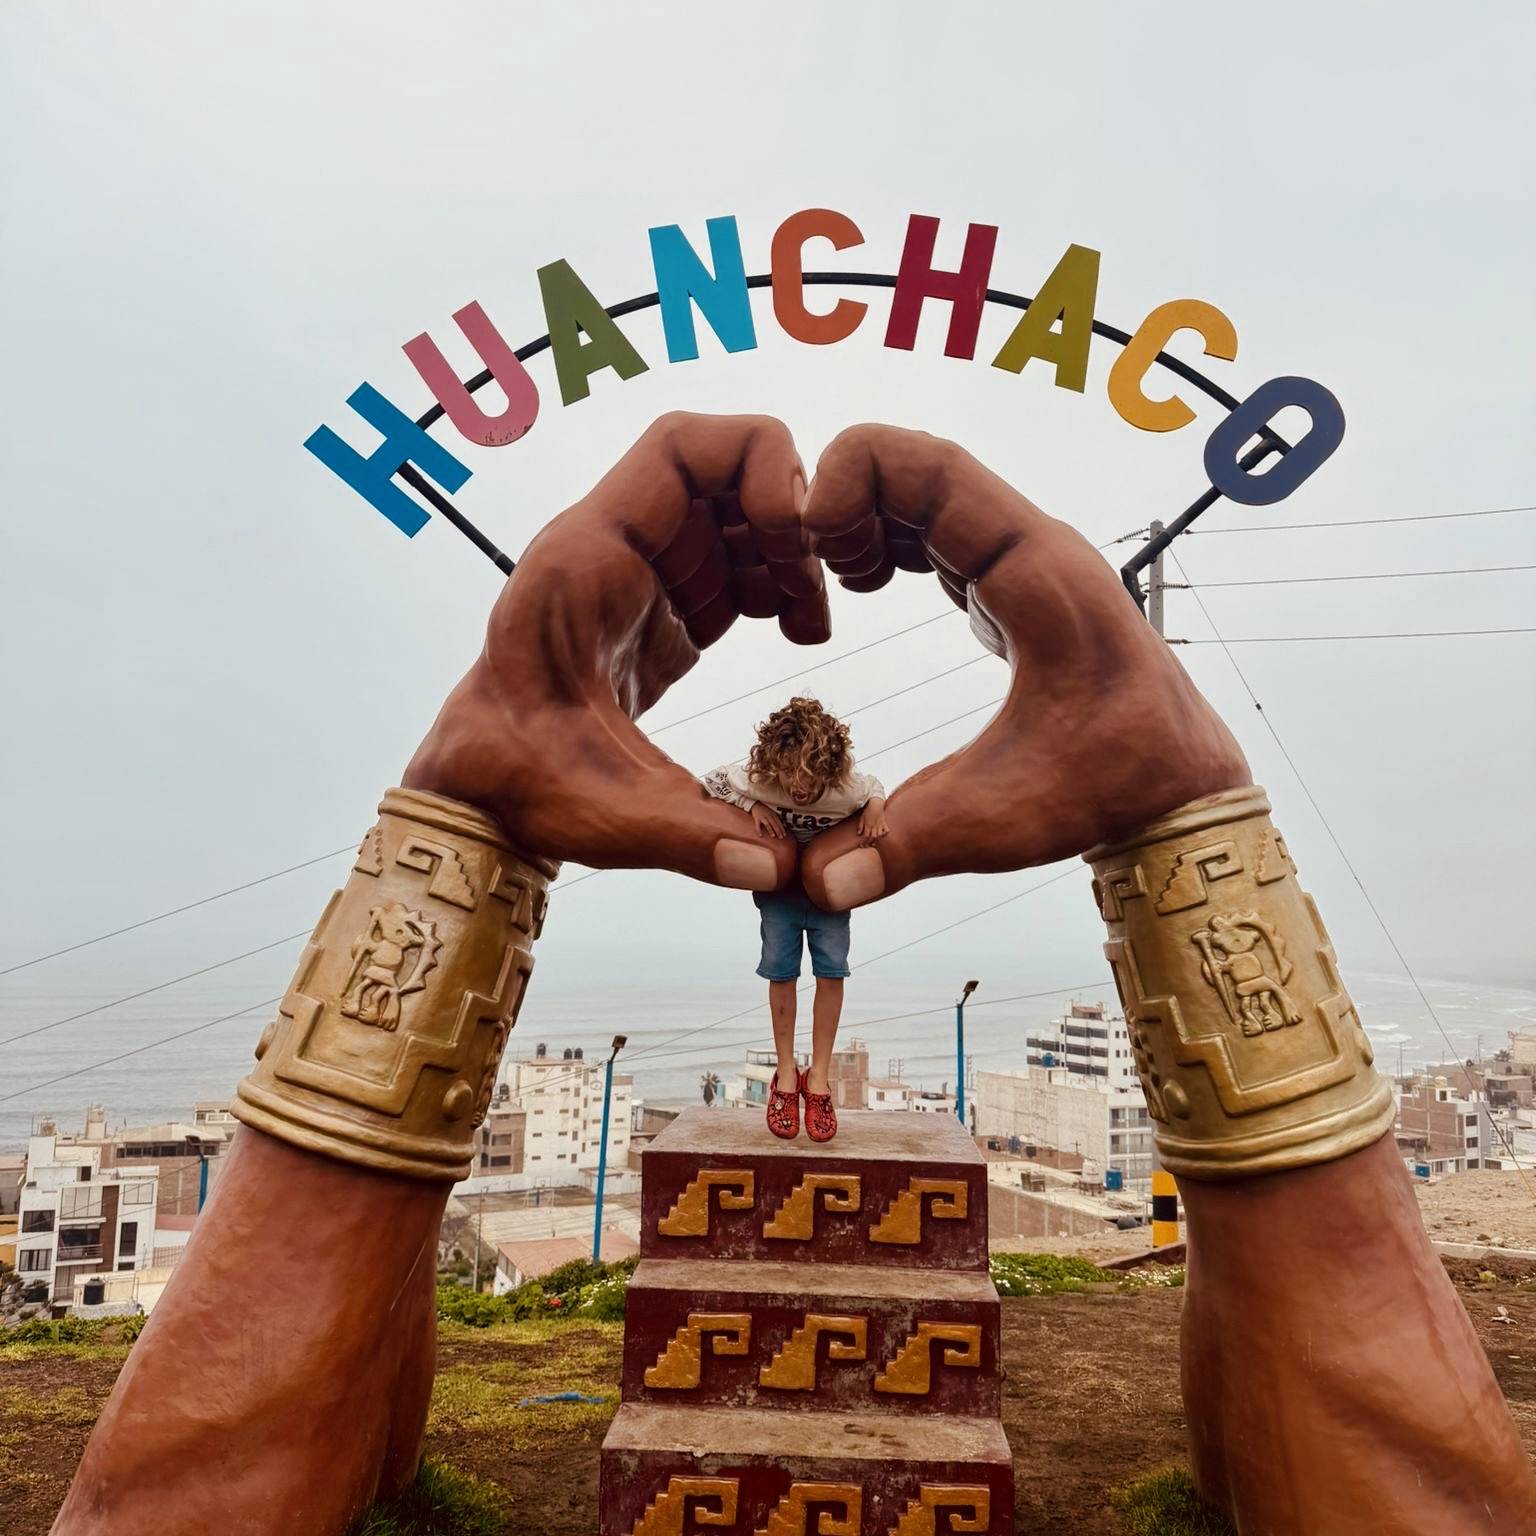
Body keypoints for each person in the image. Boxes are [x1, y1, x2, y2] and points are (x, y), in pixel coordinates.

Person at [702, 696, 887, 1141]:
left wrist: (877, 806)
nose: (800, 787)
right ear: (774, 763)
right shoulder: (759, 780)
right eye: (790, 774)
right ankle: (786, 1074)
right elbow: (711, 781)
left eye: (809, 775)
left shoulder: (845, 788)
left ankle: (818, 1076)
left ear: (828, 766)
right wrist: (753, 808)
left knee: (831, 974)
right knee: (781, 974)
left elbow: (874, 786)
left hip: (827, 894)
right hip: (780, 893)